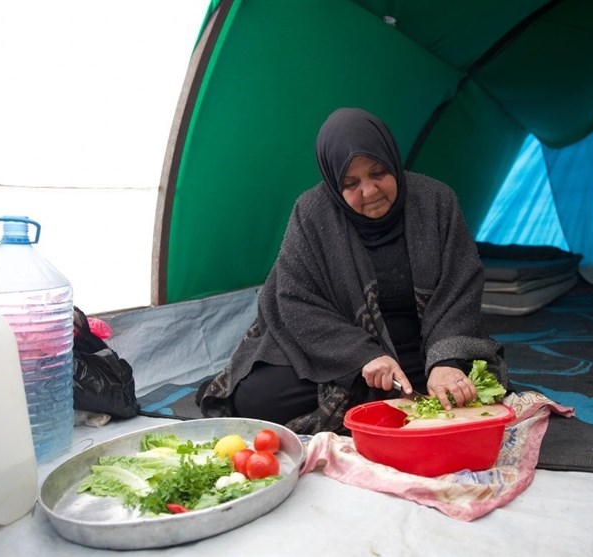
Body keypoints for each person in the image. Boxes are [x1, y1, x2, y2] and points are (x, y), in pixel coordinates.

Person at [199, 107, 508, 434]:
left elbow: (460, 290)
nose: (370, 191)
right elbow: (294, 300)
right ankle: (384, 391)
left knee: (469, 384)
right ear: (333, 183)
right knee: (256, 397)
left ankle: (393, 392)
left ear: (392, 160)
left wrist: (444, 363)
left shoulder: (437, 202)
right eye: (351, 182)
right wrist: (363, 356)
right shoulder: (311, 214)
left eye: (378, 173)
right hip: (339, 350)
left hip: (422, 345)